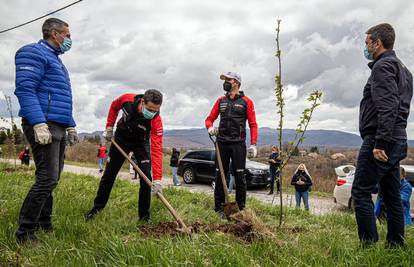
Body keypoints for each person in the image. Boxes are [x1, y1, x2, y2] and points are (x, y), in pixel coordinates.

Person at [13, 18, 79, 243]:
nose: (69, 40)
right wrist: (38, 123)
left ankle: (44, 222)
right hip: (43, 124)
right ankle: (25, 232)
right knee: (46, 179)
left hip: (57, 124)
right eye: (67, 35)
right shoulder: (32, 53)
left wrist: (70, 124)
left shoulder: (59, 63)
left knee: (53, 178)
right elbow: (25, 89)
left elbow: (63, 99)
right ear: (54, 33)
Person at [351, 23, 413, 248]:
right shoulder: (405, 70)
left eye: (367, 42)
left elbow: (388, 106)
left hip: (382, 139)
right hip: (399, 139)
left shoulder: (383, 66)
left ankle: (368, 246)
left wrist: (380, 142)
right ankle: (396, 245)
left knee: (360, 191)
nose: (365, 47)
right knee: (391, 193)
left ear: (378, 43)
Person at [85, 89, 164, 222]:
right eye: (150, 110)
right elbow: (114, 107)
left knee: (146, 179)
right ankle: (97, 208)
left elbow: (156, 149)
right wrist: (109, 127)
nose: (152, 114)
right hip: (121, 139)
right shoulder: (127, 99)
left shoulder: (156, 120)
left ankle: (144, 217)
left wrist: (157, 179)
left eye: (155, 111)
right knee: (109, 175)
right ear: (142, 102)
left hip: (140, 142)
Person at [205, 71, 258, 217]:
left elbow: (253, 124)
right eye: (225, 79)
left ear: (236, 83)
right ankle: (219, 208)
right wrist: (210, 127)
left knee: (240, 176)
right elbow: (209, 119)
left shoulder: (247, 102)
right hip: (221, 143)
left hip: (238, 144)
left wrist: (253, 144)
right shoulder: (221, 100)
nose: (226, 82)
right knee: (220, 175)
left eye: (228, 80)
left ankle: (240, 208)